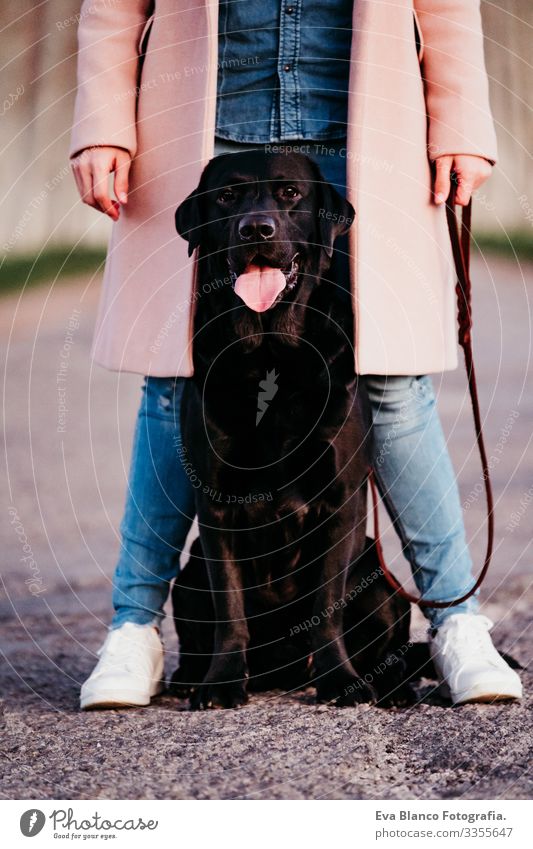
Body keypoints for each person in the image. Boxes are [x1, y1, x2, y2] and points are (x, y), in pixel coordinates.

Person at [70, 0, 522, 709]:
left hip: (366, 123)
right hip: (194, 122)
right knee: (172, 375)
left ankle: (454, 620)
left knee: (392, 375)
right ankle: (135, 630)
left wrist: (459, 120)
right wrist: (101, 122)